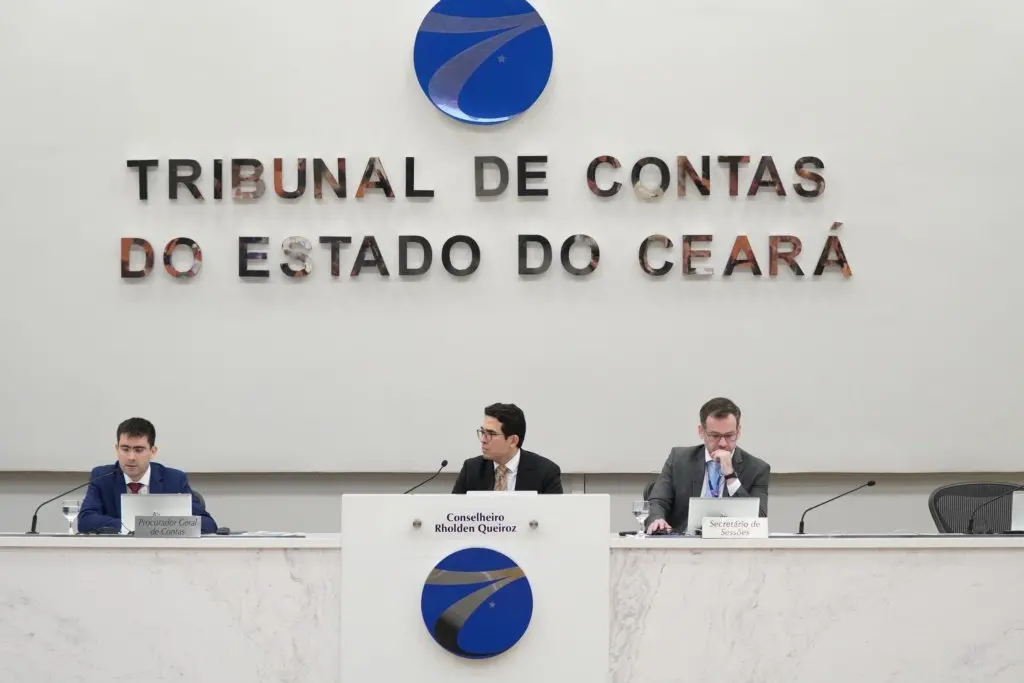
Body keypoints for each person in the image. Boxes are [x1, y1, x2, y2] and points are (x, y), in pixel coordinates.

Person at [646, 397, 769, 533]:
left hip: (732, 546)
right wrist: (657, 519)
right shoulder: (679, 459)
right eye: (715, 436)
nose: (723, 443)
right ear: (701, 432)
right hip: (684, 544)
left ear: (738, 432)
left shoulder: (757, 469)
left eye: (729, 435)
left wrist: (731, 476)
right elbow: (658, 501)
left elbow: (759, 520)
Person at [77, 417, 218, 534]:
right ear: (117, 449)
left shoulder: (174, 479)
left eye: (139, 450)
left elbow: (207, 525)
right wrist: (134, 526)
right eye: (125, 449)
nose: (131, 457)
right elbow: (85, 521)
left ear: (153, 451)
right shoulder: (102, 477)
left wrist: (154, 527)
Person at [452, 403, 563, 494]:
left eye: (491, 433)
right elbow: (453, 513)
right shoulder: (471, 469)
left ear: (513, 440)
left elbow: (554, 517)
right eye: (482, 432)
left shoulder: (546, 472)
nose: (483, 439)